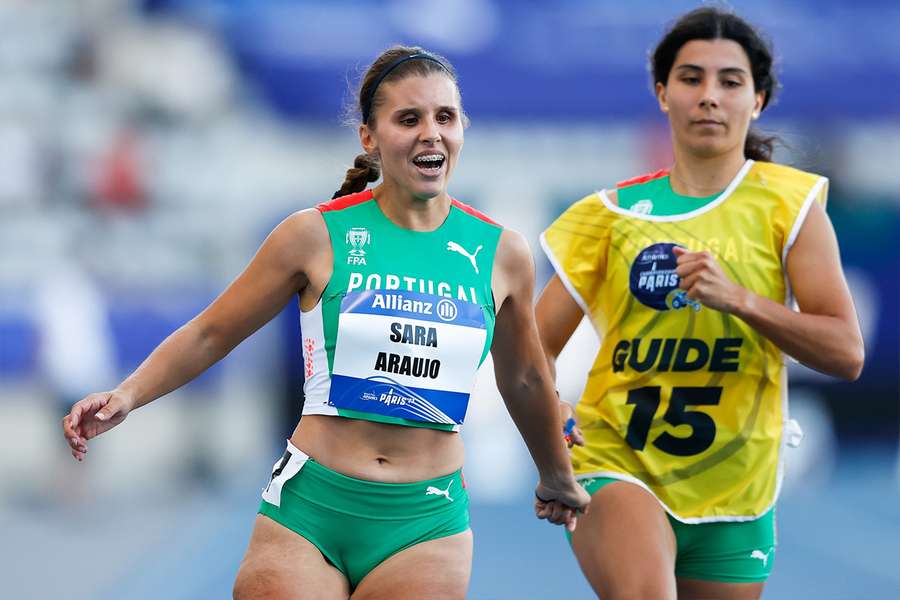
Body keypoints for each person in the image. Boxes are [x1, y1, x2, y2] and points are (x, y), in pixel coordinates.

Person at [62, 46, 590, 600]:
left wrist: (556, 473)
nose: (430, 133)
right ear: (369, 137)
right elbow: (211, 331)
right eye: (408, 119)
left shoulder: (500, 251)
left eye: (445, 117)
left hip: (425, 522)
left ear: (462, 129)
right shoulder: (313, 235)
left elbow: (526, 379)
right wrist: (127, 396)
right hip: (310, 509)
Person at [536, 8, 864, 600]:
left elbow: (846, 353)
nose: (709, 96)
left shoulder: (791, 207)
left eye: (730, 81)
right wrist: (550, 412)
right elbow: (527, 348)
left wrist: (740, 299)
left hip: (738, 485)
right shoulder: (609, 215)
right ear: (663, 94)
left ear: (757, 99)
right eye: (690, 79)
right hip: (616, 460)